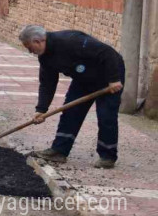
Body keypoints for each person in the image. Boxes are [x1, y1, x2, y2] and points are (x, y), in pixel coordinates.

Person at [18, 25, 124, 169]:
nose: (30, 52)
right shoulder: (45, 58)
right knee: (71, 112)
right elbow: (47, 84)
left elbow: (108, 53)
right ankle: (59, 151)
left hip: (109, 76)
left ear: (38, 41)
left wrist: (114, 79)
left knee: (106, 115)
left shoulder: (70, 40)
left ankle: (107, 156)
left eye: (30, 48)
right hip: (83, 79)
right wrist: (41, 109)